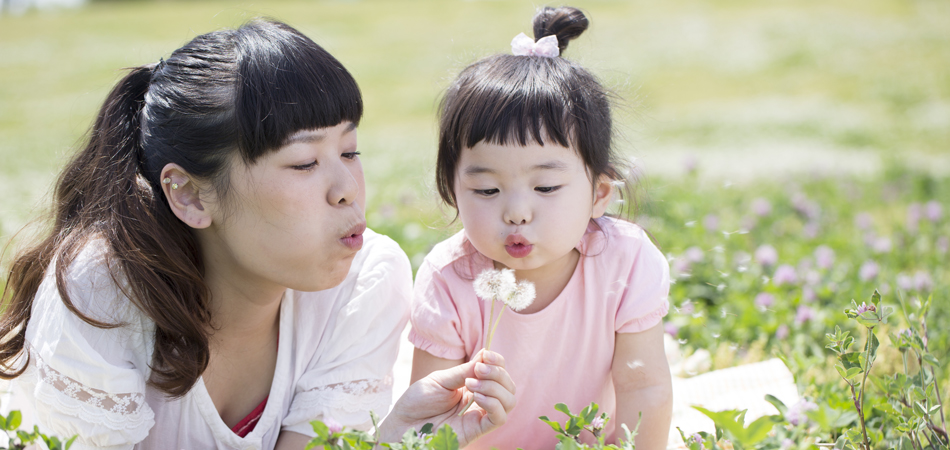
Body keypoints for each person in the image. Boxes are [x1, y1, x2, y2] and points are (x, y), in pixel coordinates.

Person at [0, 19, 515, 450]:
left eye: (350, 151)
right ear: (190, 195)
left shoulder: (366, 277)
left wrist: (402, 433)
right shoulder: (105, 287)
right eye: (304, 162)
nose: (347, 190)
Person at [408, 6, 673, 449]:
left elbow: (642, 386)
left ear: (600, 194)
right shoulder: (448, 279)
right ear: (452, 190)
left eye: (546, 187)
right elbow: (426, 418)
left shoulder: (626, 262)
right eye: (487, 190)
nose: (516, 212)